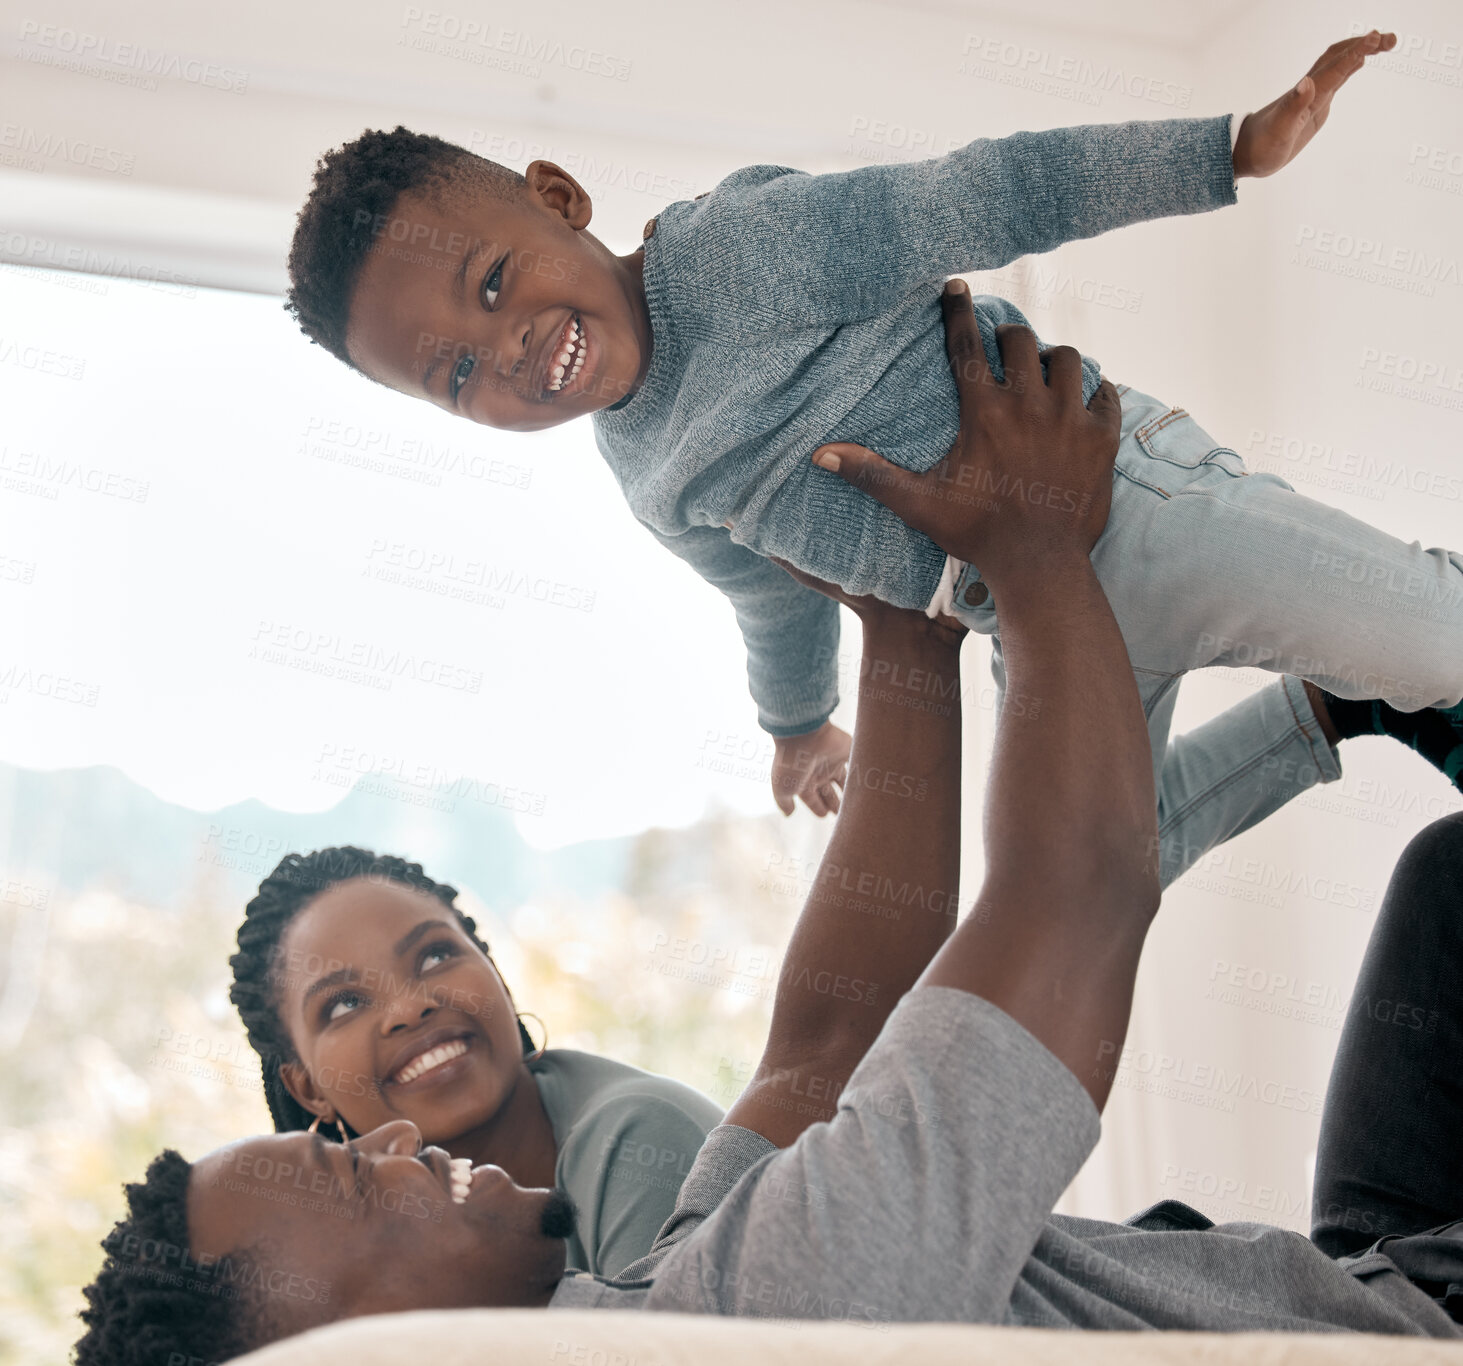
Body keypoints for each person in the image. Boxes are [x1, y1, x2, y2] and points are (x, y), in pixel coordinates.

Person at [75, 292, 1461, 1363]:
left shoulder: (649, 1294)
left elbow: (820, 1039)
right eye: (352, 1179)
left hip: (1349, 1261)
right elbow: (1074, 898)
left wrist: (896, 620)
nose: (387, 1145)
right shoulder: (751, 1327)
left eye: (438, 950)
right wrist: (1034, 558)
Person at [281, 30, 1463, 848]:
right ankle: (1327, 712)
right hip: (1023, 623)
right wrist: (794, 726)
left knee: (1439, 642)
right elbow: (765, 593)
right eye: (455, 374)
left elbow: (979, 195)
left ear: (556, 197)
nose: (510, 351)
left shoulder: (732, 253)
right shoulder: (643, 475)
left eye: (493, 285)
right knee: (1112, 868)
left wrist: (1222, 149)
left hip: (1125, 508)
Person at [227, 845, 722, 1277]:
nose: (408, 1007)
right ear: (310, 1090)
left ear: (496, 973)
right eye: (345, 1003)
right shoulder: (350, 1254)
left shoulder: (638, 1136)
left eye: (434, 957)